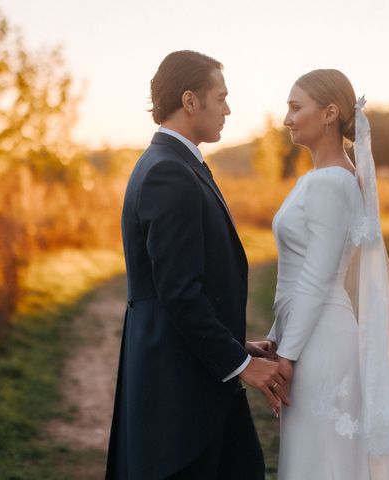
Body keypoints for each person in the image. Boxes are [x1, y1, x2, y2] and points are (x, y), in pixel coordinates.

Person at [104, 50, 290, 480]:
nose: (228, 108)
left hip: (197, 371)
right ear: (190, 102)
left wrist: (236, 347)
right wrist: (244, 366)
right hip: (178, 391)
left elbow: (183, 287)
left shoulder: (176, 164)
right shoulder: (169, 172)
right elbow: (179, 292)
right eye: (220, 97)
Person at [266, 69, 389, 479]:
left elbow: (316, 279)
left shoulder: (332, 183)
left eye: (296, 107)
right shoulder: (320, 179)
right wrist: (276, 341)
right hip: (306, 336)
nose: (286, 119)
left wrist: (287, 357)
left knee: (324, 460)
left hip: (321, 343)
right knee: (318, 456)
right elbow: (294, 277)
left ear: (330, 113)